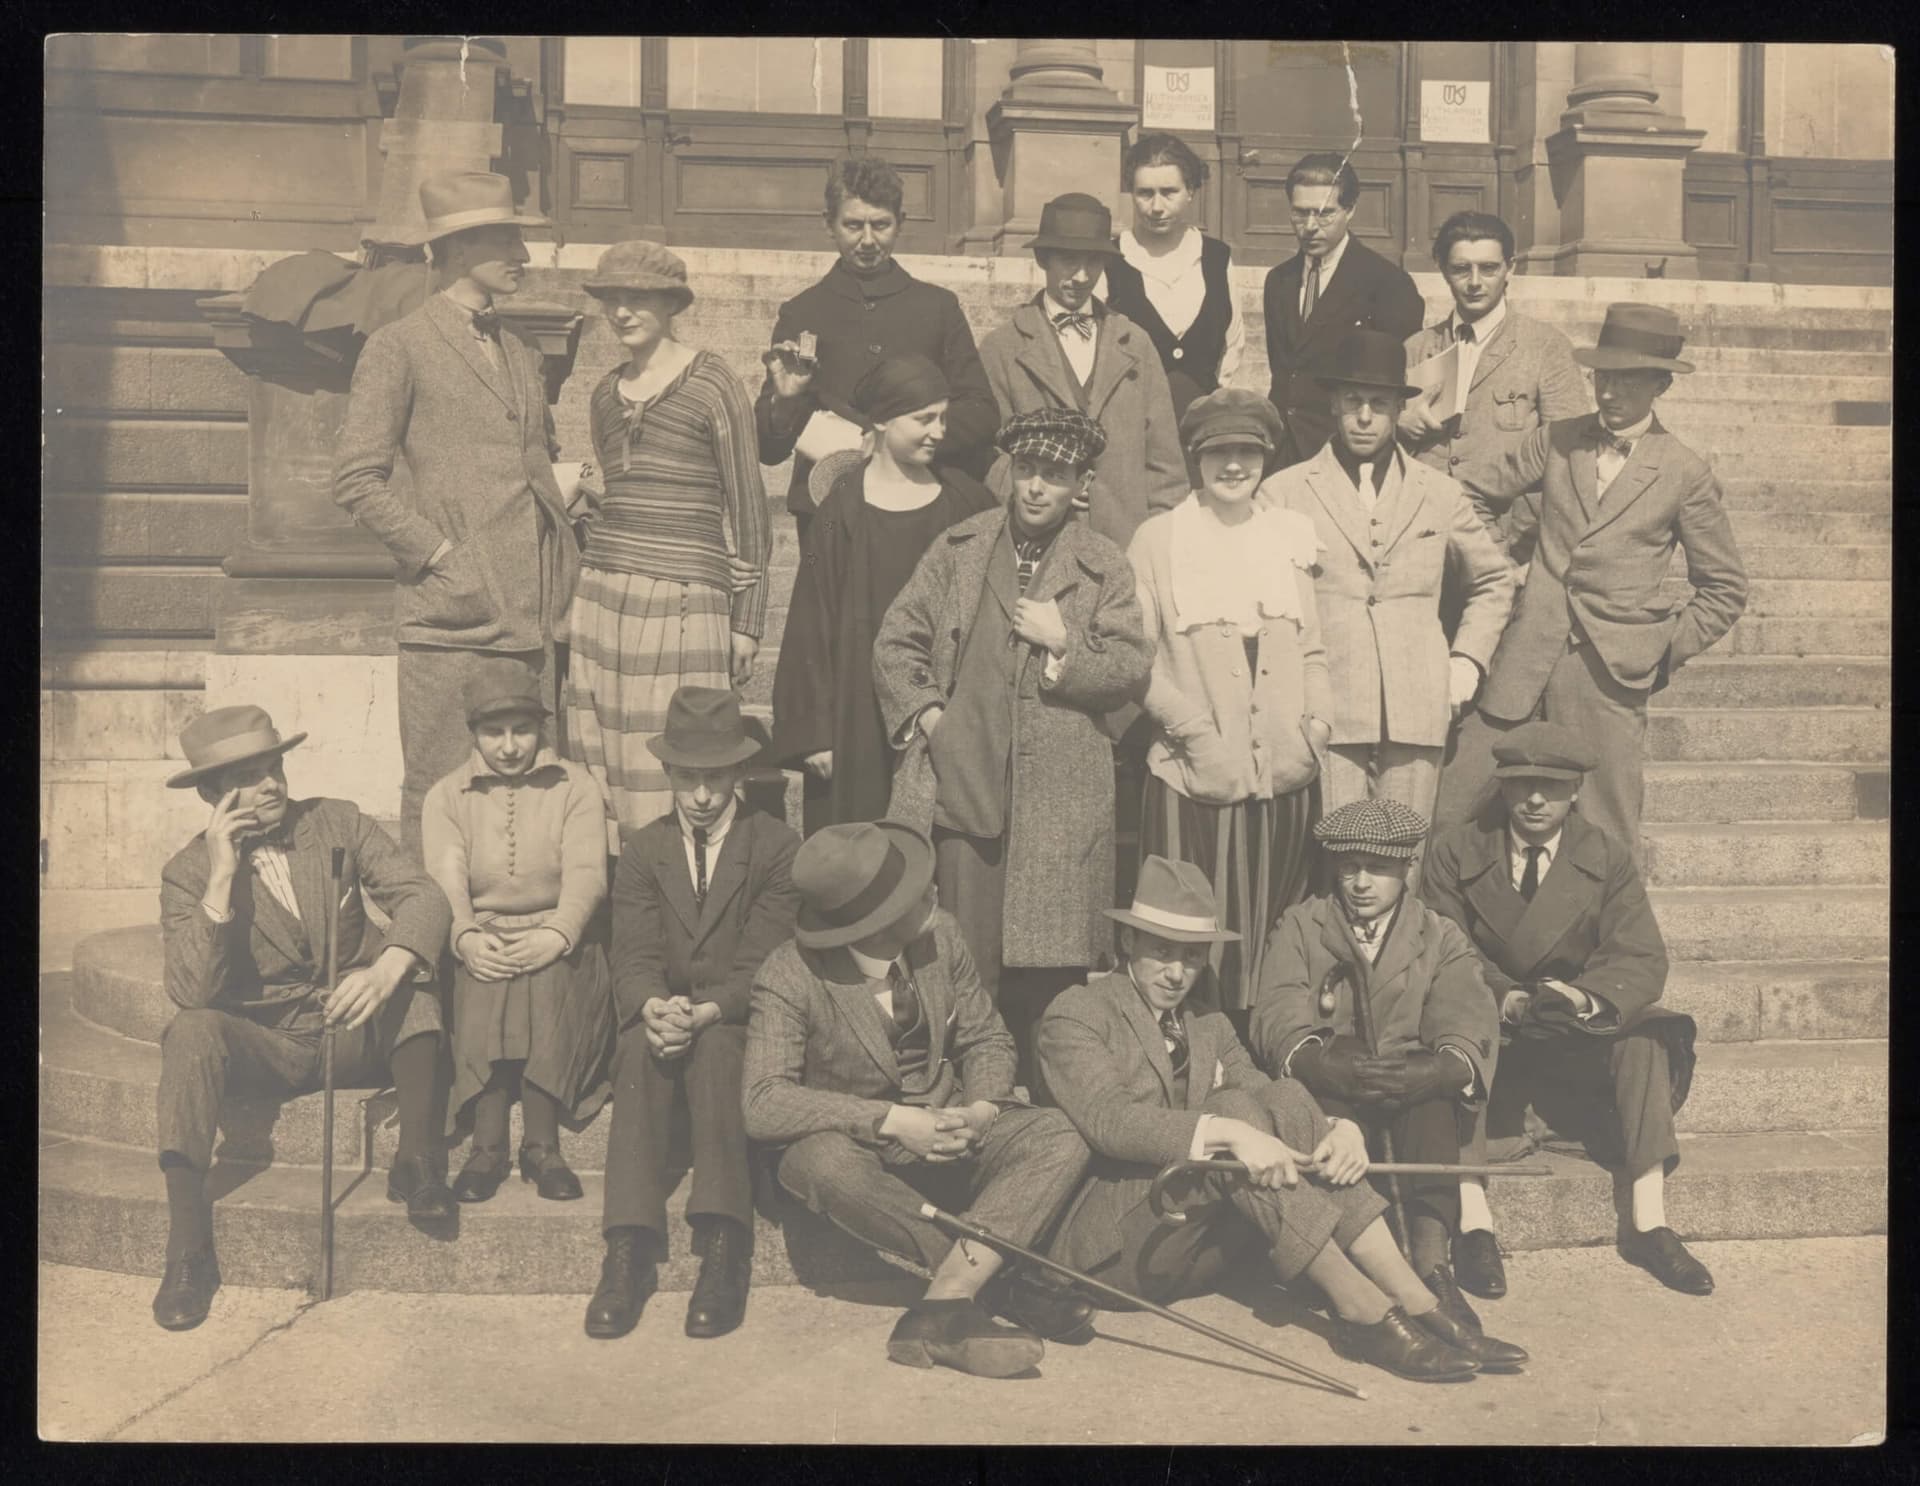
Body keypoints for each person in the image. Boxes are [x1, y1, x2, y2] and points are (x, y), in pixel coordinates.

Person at [1039, 855, 1525, 1381]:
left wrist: (1343, 1129)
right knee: (1232, 1112)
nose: (1178, 973)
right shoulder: (1079, 1010)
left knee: (1286, 1096)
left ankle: (1412, 1296)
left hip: (1199, 1242)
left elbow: (1267, 1090)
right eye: (1161, 952)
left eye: (1193, 956)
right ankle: (1361, 1307)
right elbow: (1112, 1121)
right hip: (1117, 1249)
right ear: (1128, 943)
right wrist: (1232, 1133)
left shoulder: (1208, 1021)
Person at [743, 821, 1096, 1378]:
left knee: (1058, 1134)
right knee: (819, 1161)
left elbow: (988, 1038)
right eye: (915, 892)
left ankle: (948, 1299)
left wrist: (981, 1109)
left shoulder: (942, 936)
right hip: (863, 1154)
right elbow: (763, 1101)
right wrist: (889, 1120)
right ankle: (1008, 1285)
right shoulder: (789, 974)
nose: (933, 891)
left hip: (954, 1128)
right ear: (874, 922)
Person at [873, 408, 1152, 1093]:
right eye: (1025, 471)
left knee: (1049, 962)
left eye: (1053, 476)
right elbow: (895, 640)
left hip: (1060, 795)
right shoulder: (958, 548)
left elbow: (1130, 672)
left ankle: (1046, 1105)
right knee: (959, 950)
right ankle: (961, 1092)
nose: (1035, 488)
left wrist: (1065, 645)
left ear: (1079, 485)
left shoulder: (1102, 565)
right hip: (962, 784)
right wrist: (931, 716)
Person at [152, 707, 453, 1331]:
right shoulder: (186, 873)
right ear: (211, 794)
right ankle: (188, 1250)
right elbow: (190, 991)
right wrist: (222, 877)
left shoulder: (336, 821)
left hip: (355, 1028)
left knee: (416, 983)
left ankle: (417, 1161)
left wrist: (385, 966)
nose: (272, 786)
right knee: (191, 1032)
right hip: (271, 1044)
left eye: (275, 768)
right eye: (249, 777)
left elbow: (422, 895)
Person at [1432, 304, 1750, 857]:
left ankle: (1611, 945)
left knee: (1608, 835)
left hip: (1611, 674)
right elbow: (1474, 492)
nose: (1609, 392)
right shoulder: (1558, 439)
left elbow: (1724, 589)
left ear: (1661, 384)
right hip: (1523, 654)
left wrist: (1657, 648)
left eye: (1627, 379)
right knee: (1450, 811)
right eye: (1603, 375)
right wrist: (1498, 567)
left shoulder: (1683, 471)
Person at [335, 170, 588, 858]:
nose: (524, 257)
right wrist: (441, 557)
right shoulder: (400, 345)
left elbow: (531, 463)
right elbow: (357, 480)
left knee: (528, 795)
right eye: (504, 240)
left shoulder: (522, 350)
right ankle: (429, 945)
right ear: (452, 251)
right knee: (442, 789)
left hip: (532, 618)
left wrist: (568, 497)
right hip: (453, 621)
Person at [1423, 721, 1708, 1297]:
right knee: (1459, 1030)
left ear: (1576, 790)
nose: (1533, 798)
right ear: (1501, 787)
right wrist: (1509, 998)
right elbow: (1444, 947)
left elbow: (1639, 955)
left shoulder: (1605, 855)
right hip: (1496, 1025)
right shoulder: (1454, 851)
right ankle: (1475, 1223)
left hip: (1573, 1028)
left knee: (1647, 1035)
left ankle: (1649, 1220)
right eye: (1521, 782)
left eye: (1551, 785)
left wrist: (1579, 997)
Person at [588, 687, 802, 1341]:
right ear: (670, 774)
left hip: (735, 1016)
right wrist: (653, 1005)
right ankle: (626, 1250)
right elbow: (632, 953)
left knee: (716, 1055)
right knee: (636, 1052)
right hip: (669, 1008)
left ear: (739, 773)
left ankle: (722, 1243)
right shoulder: (643, 851)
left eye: (716, 778)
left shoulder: (775, 847)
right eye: (689, 778)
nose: (703, 795)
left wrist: (708, 1011)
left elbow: (764, 961)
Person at [1251, 798, 1504, 1344]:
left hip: (1405, 1083)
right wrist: (1316, 1057)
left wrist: (1438, 1068)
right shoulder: (1301, 925)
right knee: (1311, 1103)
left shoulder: (1438, 935)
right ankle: (1369, 1262)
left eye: (1378, 868)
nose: (1361, 882)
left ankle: (1432, 1264)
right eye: (1348, 867)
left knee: (1438, 1100)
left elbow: (1467, 1012)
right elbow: (1277, 1010)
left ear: (1406, 868)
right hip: (1332, 1085)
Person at [1259, 331, 1514, 837]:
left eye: (1379, 403)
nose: (1364, 417)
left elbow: (1494, 578)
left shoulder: (1439, 493)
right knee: (1334, 851)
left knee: (1406, 853)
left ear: (1400, 408)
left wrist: (1466, 660)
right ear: (1333, 403)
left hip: (1418, 702)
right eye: (1353, 401)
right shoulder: (1284, 492)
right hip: (1325, 706)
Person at [1126, 388, 1331, 1011]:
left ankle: (1268, 1056)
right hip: (1195, 777)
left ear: (1266, 457)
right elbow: (1134, 658)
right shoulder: (1160, 541)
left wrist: (1313, 729)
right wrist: (1192, 731)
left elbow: (1314, 650)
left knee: (1277, 927)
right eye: (1219, 453)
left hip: (1284, 779)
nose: (1234, 466)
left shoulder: (1290, 536)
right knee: (1190, 932)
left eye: (1247, 451)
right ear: (1196, 459)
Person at [565, 241, 772, 848]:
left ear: (669, 305)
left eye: (638, 300)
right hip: (604, 596)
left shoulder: (713, 383)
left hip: (685, 599)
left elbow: (750, 507)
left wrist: (749, 623)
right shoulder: (604, 393)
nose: (623, 312)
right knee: (601, 750)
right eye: (612, 300)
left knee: (680, 751)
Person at [767, 355, 997, 835]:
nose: (938, 431)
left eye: (943, 418)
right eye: (924, 419)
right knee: (863, 842)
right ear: (882, 421)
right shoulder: (842, 509)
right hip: (857, 709)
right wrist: (814, 734)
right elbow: (812, 621)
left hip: (943, 704)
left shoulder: (966, 502)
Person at [420, 659, 614, 1207]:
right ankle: (486, 1147)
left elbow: (586, 874)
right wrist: (465, 937)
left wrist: (559, 932)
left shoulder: (575, 786)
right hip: (483, 932)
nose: (509, 746)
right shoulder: (446, 796)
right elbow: (447, 879)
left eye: (522, 730)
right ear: (473, 734)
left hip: (560, 935)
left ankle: (541, 1144)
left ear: (541, 729)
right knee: (485, 976)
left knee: (547, 977)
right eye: (493, 732)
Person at [756, 155, 998, 544]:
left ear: (900, 223)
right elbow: (768, 449)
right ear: (828, 224)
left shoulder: (937, 307)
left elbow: (982, 412)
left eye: (880, 225)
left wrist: (902, 441)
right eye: (853, 225)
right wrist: (784, 403)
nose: (867, 240)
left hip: (921, 504)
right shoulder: (802, 312)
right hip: (827, 513)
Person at [1398, 212, 1589, 639]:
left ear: (1511, 269)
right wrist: (1399, 423)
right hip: (1423, 536)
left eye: (1488, 268)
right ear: (1443, 271)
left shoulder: (1545, 347)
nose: (1475, 282)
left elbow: (1570, 449)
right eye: (1460, 269)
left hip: (1505, 539)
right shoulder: (1417, 348)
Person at [977, 192, 1187, 549]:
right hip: (1034, 543)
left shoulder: (1135, 344)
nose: (1081, 276)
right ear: (1043, 259)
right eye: (1068, 260)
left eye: (1093, 262)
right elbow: (987, 454)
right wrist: (1033, 488)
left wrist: (1162, 545)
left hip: (1124, 542)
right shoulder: (1003, 347)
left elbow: (1165, 465)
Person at [1262, 153, 1426, 468]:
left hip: (1344, 452)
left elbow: (1400, 375)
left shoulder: (1387, 283)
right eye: (1299, 213)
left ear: (1349, 210)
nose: (1309, 226)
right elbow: (1283, 373)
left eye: (1324, 214)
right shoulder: (1278, 281)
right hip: (1282, 453)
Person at [1103, 132, 1246, 420]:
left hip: (1198, 423)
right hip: (1129, 422)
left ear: (1191, 190)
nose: (1156, 207)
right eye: (1145, 193)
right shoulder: (1112, 259)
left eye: (1169, 192)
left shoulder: (1216, 258)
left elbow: (1233, 342)